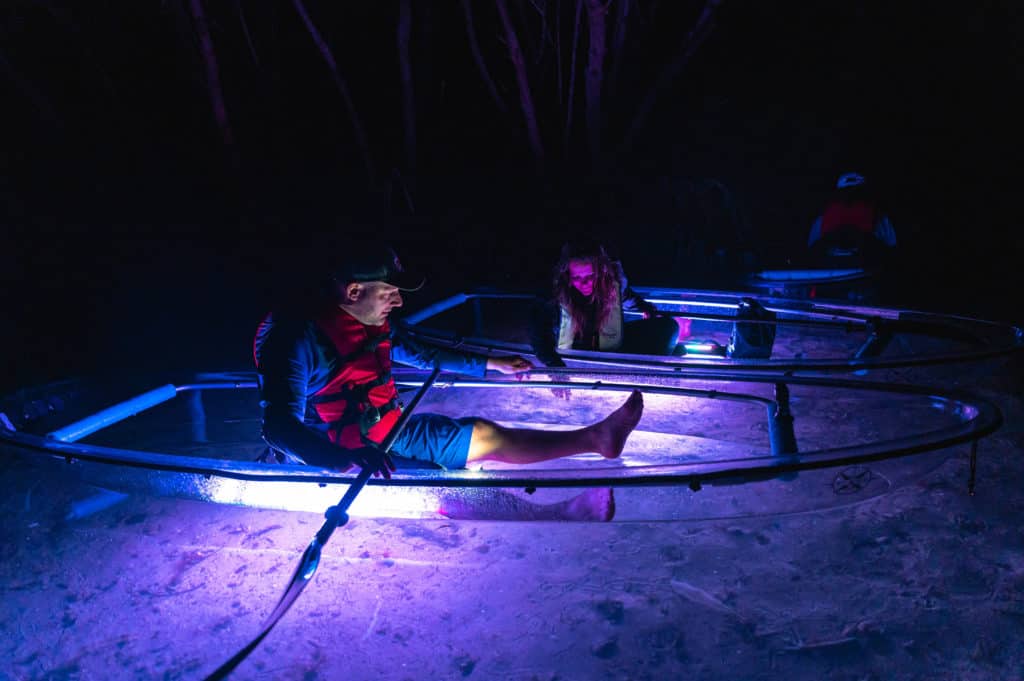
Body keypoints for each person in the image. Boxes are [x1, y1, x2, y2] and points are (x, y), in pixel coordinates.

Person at [253, 240, 645, 485]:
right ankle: (564, 511)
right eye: (390, 292)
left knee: (484, 433)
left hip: (391, 429)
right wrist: (341, 461)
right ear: (354, 290)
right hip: (341, 452)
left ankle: (597, 438)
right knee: (446, 483)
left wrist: (491, 362)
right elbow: (279, 426)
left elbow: (423, 353)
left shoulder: (371, 318)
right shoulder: (293, 336)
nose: (399, 302)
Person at [529, 239, 682, 369]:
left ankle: (658, 362)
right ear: (568, 276)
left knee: (669, 327)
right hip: (578, 352)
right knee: (675, 348)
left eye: (590, 275)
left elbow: (625, 295)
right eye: (577, 278)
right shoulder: (553, 295)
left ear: (601, 272)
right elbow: (539, 335)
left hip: (610, 344)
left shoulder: (612, 283)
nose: (585, 283)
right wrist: (555, 366)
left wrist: (644, 306)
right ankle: (663, 358)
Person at [807, 172, 897, 265]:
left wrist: (864, 239)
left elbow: (892, 253)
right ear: (838, 194)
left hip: (866, 269)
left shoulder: (881, 219)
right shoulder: (821, 220)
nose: (850, 197)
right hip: (830, 269)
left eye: (857, 192)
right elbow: (810, 254)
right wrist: (832, 236)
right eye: (846, 191)